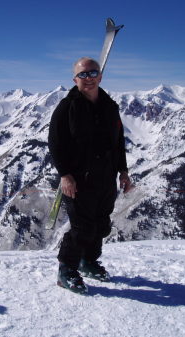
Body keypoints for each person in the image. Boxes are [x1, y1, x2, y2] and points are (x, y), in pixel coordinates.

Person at [48, 57, 133, 294]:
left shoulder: (110, 106)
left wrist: (123, 172)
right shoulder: (67, 107)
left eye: (93, 73)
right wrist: (65, 175)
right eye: (83, 75)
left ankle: (89, 261)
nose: (89, 78)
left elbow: (118, 142)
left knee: (100, 224)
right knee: (82, 227)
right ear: (75, 80)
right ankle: (67, 270)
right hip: (78, 179)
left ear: (100, 76)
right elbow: (55, 143)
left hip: (105, 177)